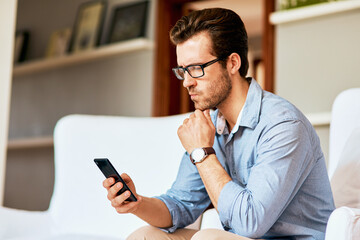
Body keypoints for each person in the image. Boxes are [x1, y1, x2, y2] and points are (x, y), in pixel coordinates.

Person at [102, 8, 335, 240]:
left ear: (233, 63)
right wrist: (136, 203)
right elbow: (181, 205)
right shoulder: (210, 125)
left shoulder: (283, 125)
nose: (187, 83)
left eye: (196, 69)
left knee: (208, 238)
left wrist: (202, 153)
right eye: (182, 71)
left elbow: (249, 223)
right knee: (145, 235)